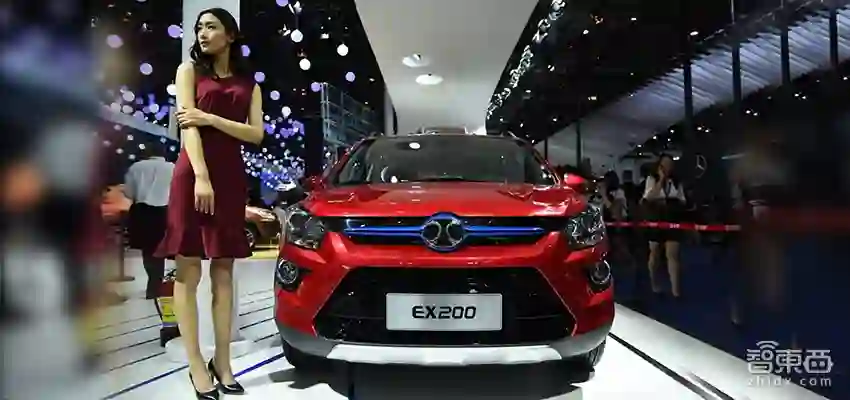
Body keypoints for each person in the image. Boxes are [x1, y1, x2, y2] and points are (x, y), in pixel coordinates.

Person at [155, 8, 263, 399]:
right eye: (199, 27)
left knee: (223, 272)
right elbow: (188, 127)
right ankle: (196, 364)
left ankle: (224, 362)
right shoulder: (188, 72)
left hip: (231, 178)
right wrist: (200, 175)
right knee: (187, 271)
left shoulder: (249, 85)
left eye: (211, 27)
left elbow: (256, 134)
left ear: (230, 35)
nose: (202, 33)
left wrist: (211, 118)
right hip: (193, 173)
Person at [124, 142, 174, 299]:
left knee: (147, 250)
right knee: (161, 248)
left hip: (142, 211)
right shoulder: (172, 168)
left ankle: (153, 282)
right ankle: (156, 284)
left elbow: (128, 193)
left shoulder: (135, 167)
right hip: (165, 211)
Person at [641, 154, 686, 300]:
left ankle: (676, 291)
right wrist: (661, 179)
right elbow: (648, 197)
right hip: (655, 217)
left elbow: (682, 200)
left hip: (672, 217)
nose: (667, 167)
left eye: (669, 164)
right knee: (654, 253)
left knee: (672, 254)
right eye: (664, 164)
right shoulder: (651, 179)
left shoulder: (677, 182)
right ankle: (654, 284)